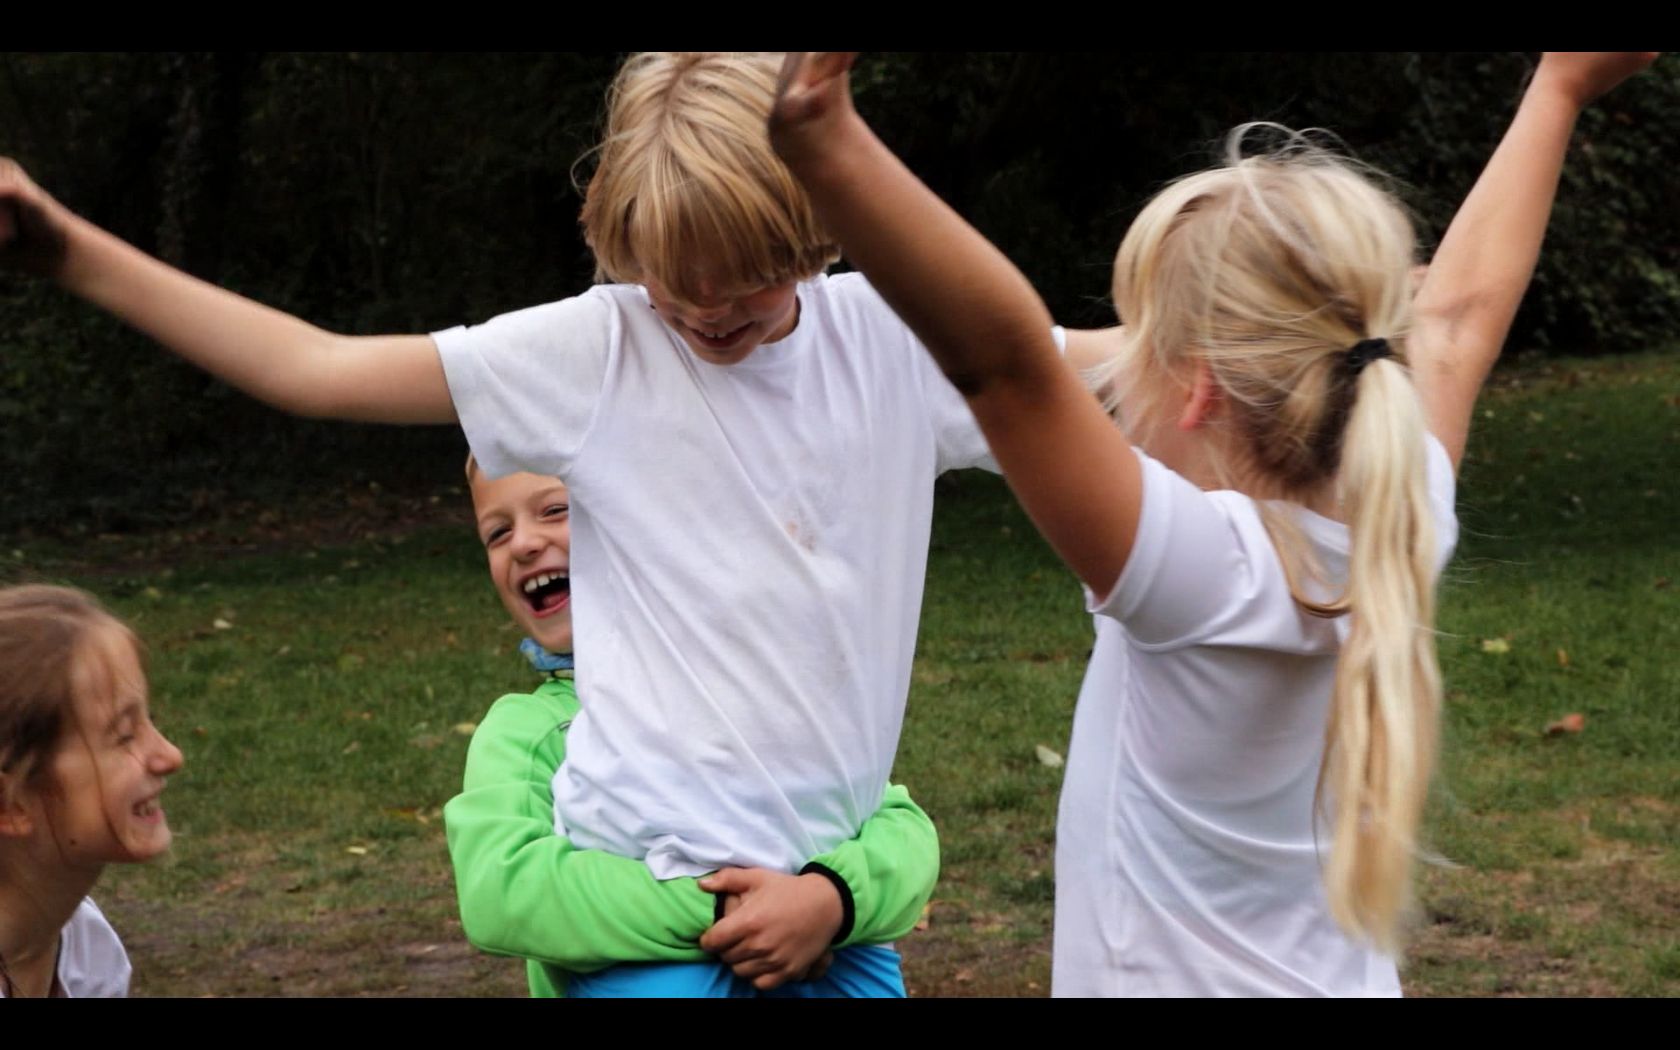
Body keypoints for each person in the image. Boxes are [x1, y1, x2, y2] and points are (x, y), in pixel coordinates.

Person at [0, 52, 999, 997]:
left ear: (815, 220)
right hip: (646, 905)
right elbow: (315, 369)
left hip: (833, 911)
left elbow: (1070, 375)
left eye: (742, 272)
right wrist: (71, 252)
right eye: (669, 274)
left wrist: (832, 897)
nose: (705, 306)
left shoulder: (892, 342)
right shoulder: (599, 353)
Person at [767, 50, 1658, 995]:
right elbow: (1458, 321)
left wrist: (825, 136)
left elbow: (1006, 366)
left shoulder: (1207, 576)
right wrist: (1561, 86)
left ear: (1196, 389)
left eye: (1136, 337)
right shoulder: (1405, 512)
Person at [445, 461, 937, 996]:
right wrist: (723, 910)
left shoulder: (742, 686)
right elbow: (503, 890)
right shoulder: (526, 730)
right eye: (497, 533)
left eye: (555, 511)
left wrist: (830, 899)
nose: (523, 543)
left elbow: (897, 824)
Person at [0, 585, 185, 997]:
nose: (170, 755)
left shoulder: (87, 951)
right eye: (124, 735)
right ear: (9, 804)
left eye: (150, 720)